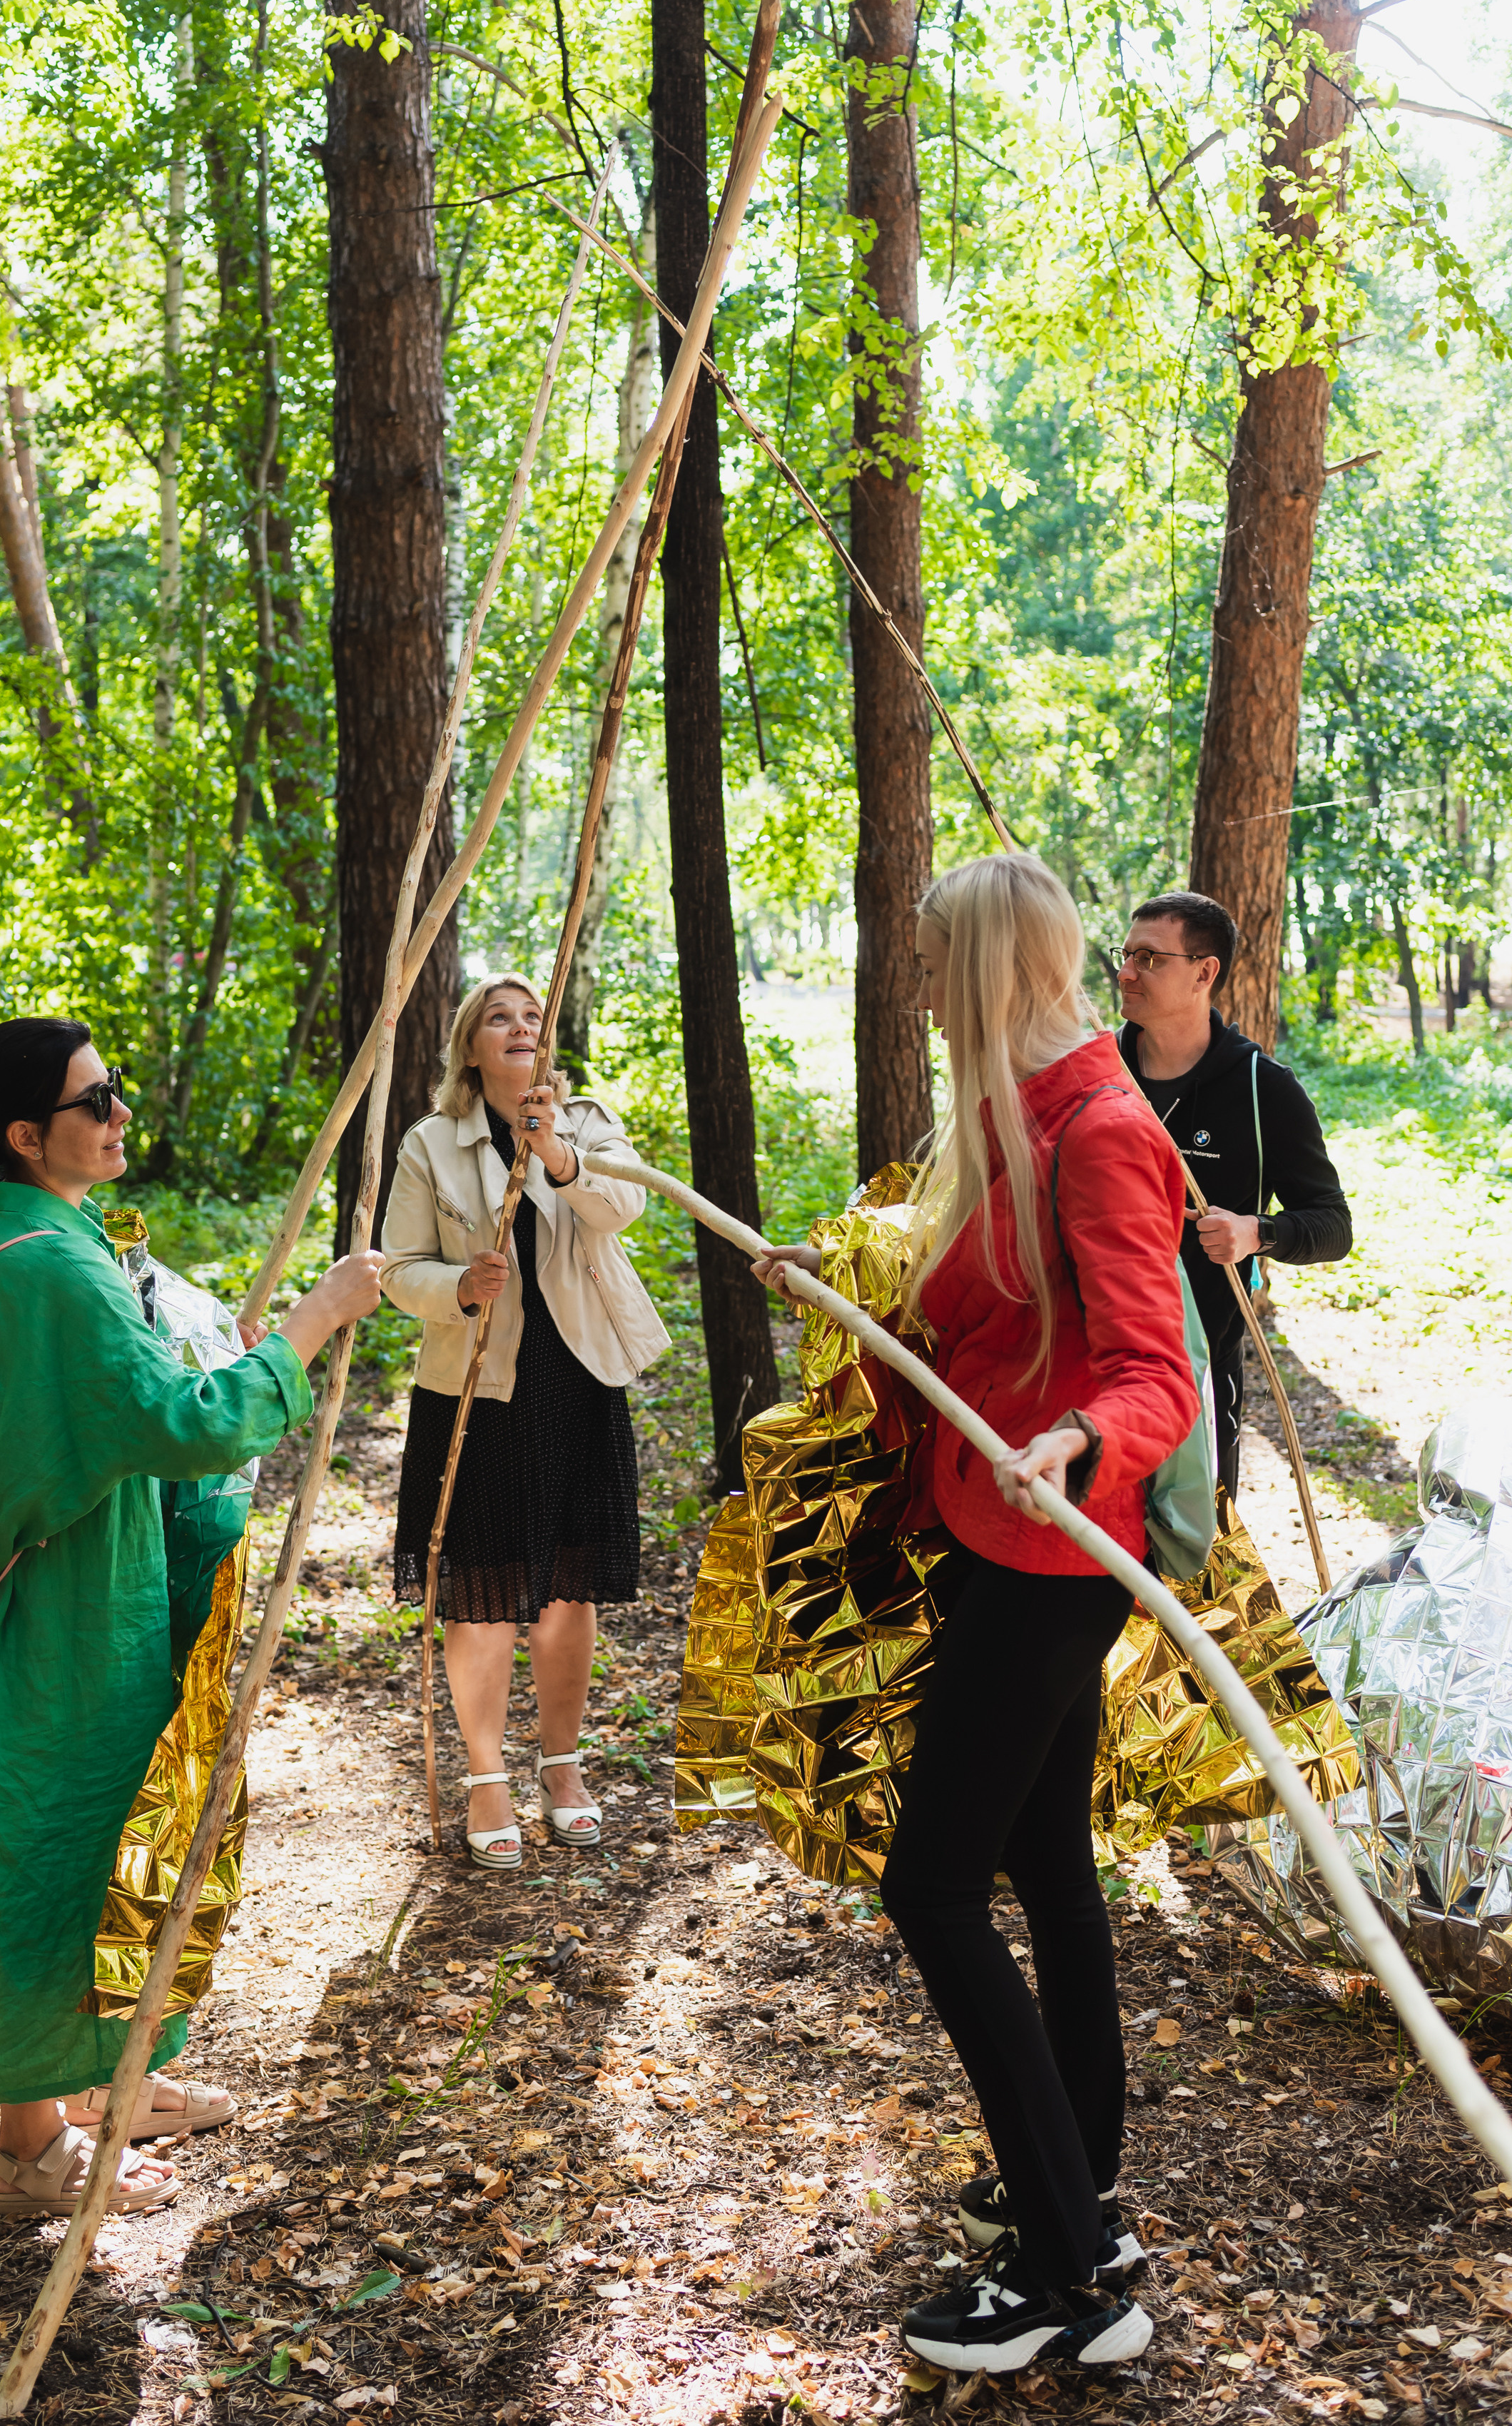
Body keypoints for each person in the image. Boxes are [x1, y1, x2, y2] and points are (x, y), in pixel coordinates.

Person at [756, 855, 1199, 2375]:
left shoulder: (1099, 1129)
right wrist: (855, 1312)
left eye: (932, 948)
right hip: (1001, 1534)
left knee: (932, 1886)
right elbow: (990, 1335)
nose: (914, 971)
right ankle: (1083, 2187)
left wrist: (1081, 1440)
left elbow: (1155, 1371)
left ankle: (1071, 2279)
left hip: (1051, 1555)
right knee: (1041, 1858)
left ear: (990, 964)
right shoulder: (1022, 1114)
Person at [0, 1018, 384, 2219]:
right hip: (55, 1620)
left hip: (68, 1595)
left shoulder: (40, 1236)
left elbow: (126, 1391)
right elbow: (182, 1426)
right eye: (95, 1101)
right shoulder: (46, 1266)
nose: (121, 1116)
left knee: (80, 1850)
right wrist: (313, 1323)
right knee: (54, 1863)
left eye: (114, 1092)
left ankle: (91, 2088)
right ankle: (34, 2155)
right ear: (27, 1135)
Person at [381, 974, 669, 1869]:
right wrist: (456, 1286)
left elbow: (626, 1206)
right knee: (483, 1592)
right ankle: (484, 1778)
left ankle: (561, 1764)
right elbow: (395, 1267)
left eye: (531, 1017)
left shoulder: (581, 1120)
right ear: (470, 1046)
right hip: (477, 1389)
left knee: (568, 1589)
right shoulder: (432, 1141)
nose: (518, 1027)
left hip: (576, 1378)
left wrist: (556, 1155)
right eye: (498, 1018)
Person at [1114, 891, 1351, 1497]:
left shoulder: (1261, 1089)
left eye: (1150, 958)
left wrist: (1258, 1233)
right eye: (1125, 953)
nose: (1126, 971)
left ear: (1204, 971)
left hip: (1198, 1369)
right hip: (1086, 1359)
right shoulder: (1097, 1070)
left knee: (1187, 1553)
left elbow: (1332, 1225)